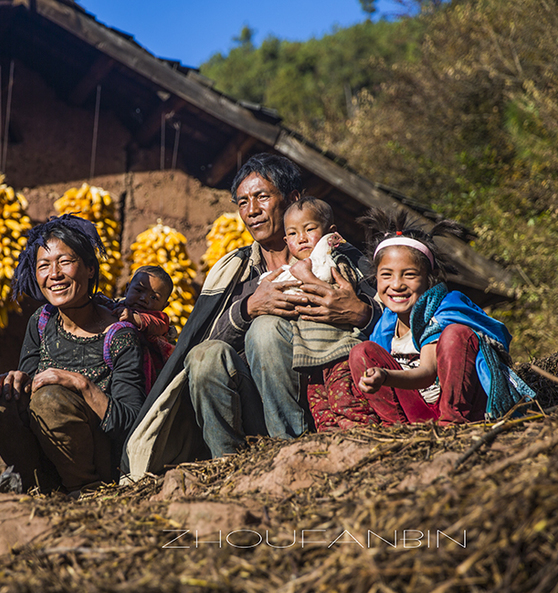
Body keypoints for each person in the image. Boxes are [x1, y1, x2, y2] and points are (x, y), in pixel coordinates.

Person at [123, 153, 377, 477]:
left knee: (267, 330)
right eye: (243, 202)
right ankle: (228, 468)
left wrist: (359, 312)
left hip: (331, 400)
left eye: (262, 197)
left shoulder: (337, 257)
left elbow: (397, 316)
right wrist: (247, 309)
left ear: (293, 198)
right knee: (208, 355)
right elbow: (196, 347)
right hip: (255, 415)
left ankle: (292, 453)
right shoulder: (236, 272)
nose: (251, 211)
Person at [0, 214, 146, 495]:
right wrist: (14, 382)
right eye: (44, 266)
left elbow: (131, 423)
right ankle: (37, 486)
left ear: (89, 269)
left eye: (65, 262)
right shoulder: (41, 322)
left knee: (51, 398)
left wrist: (80, 384)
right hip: (48, 458)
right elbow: (29, 386)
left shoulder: (119, 337)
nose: (54, 274)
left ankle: (85, 489)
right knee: (0, 397)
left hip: (101, 463)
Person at [348, 209, 535, 425]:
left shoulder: (441, 313)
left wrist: (385, 376)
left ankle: (452, 420)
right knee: (361, 353)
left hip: (460, 409)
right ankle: (397, 427)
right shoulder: (384, 327)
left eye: (409, 275)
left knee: (456, 334)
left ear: (429, 279)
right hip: (418, 416)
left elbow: (427, 373)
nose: (397, 284)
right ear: (376, 279)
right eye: (386, 275)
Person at [268, 197, 378, 431]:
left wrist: (306, 277)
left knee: (349, 404)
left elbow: (339, 287)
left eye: (309, 229)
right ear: (286, 240)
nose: (302, 238)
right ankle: (332, 452)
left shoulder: (334, 258)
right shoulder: (292, 270)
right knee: (323, 413)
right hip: (312, 361)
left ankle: (364, 441)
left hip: (340, 354)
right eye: (293, 234)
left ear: (330, 233)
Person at [110, 265, 176, 387]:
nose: (144, 299)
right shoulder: (118, 305)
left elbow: (157, 325)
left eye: (154, 297)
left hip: (148, 365)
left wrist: (134, 318)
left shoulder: (159, 317)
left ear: (164, 306)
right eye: (139, 290)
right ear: (127, 289)